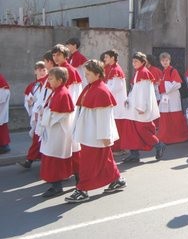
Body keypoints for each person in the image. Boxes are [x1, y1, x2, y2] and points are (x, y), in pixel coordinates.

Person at [66, 60, 126, 203]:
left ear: (97, 74)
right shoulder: (92, 87)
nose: (85, 76)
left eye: (88, 74)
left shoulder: (101, 91)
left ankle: (82, 189)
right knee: (106, 160)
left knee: (88, 163)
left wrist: (105, 136)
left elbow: (104, 117)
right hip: (89, 133)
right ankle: (117, 179)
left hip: (96, 136)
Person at [38, 67, 79, 198]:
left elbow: (61, 114)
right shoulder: (56, 91)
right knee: (52, 158)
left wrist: (45, 114)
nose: (48, 81)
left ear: (60, 80)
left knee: (55, 159)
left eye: (51, 79)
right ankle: (57, 184)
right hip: (52, 131)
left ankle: (57, 186)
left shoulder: (62, 93)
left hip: (58, 132)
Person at [120, 52, 166, 163]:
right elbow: (135, 90)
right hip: (134, 107)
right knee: (131, 130)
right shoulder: (138, 72)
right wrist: (128, 99)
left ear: (143, 62)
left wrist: (142, 107)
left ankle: (159, 145)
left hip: (140, 109)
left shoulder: (144, 73)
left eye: (136, 61)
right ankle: (134, 154)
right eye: (133, 61)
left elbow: (145, 93)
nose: (133, 63)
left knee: (143, 131)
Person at [18, 62, 48, 168]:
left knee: (39, 139)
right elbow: (27, 99)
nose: (42, 72)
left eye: (44, 70)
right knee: (38, 139)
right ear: (35, 71)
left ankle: (30, 160)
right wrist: (30, 102)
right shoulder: (32, 85)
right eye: (39, 70)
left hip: (44, 115)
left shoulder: (47, 83)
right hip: (36, 115)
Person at [157, 52, 188, 144]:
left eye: (166, 60)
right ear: (160, 62)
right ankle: (165, 137)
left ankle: (180, 137)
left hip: (173, 98)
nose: (165, 62)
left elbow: (177, 84)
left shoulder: (173, 71)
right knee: (165, 118)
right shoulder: (163, 72)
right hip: (166, 98)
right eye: (163, 61)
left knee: (175, 118)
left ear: (169, 61)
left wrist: (163, 85)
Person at [103, 50, 128, 152]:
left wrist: (104, 89)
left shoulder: (116, 69)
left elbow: (116, 87)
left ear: (112, 58)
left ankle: (120, 148)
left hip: (117, 102)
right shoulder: (112, 68)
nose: (105, 59)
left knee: (118, 124)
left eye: (106, 57)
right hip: (115, 101)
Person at [0, 73, 11, 154]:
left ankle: (4, 145)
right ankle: (4, 145)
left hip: (2, 92)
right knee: (2, 120)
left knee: (1, 119)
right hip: (3, 91)